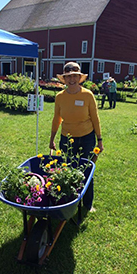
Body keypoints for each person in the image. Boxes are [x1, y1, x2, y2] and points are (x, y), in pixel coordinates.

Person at [49, 62, 104, 211]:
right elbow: (57, 119)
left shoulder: (87, 95)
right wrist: (52, 138)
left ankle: (87, 204)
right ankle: (70, 200)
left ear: (79, 78)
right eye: (68, 77)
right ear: (64, 79)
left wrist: (99, 140)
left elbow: (95, 118)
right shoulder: (60, 97)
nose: (71, 79)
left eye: (74, 76)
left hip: (87, 137)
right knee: (68, 169)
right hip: (67, 138)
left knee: (86, 169)